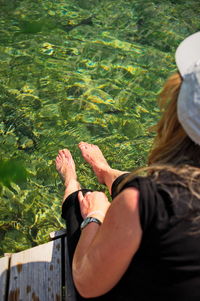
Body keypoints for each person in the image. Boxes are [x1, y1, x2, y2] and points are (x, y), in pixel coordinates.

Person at [55, 32, 200, 301]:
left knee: (84, 200)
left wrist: (95, 215)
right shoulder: (164, 192)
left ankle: (71, 182)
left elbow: (86, 283)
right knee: (138, 187)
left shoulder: (147, 199)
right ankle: (107, 173)